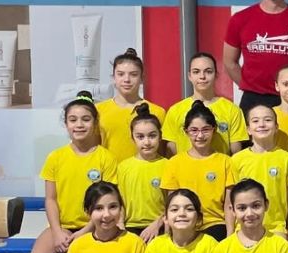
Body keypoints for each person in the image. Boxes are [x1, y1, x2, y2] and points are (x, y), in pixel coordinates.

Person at [30, 91, 118, 253]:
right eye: (73, 120)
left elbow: (108, 202)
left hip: (96, 225)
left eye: (86, 119)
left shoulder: (106, 158)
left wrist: (86, 230)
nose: (79, 125)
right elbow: (51, 199)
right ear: (66, 124)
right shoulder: (55, 157)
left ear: (95, 123)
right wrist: (56, 232)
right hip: (62, 226)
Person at [160, 101, 237, 241]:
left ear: (214, 130)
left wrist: (230, 236)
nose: (200, 136)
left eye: (205, 130)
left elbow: (229, 205)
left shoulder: (225, 162)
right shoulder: (174, 163)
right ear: (186, 131)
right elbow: (172, 204)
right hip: (185, 223)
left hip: (215, 223)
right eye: (194, 130)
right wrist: (168, 234)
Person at [230, 104, 288, 237]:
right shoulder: (237, 160)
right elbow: (230, 200)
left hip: (276, 228)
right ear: (248, 129)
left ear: (276, 127)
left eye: (267, 120)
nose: (261, 124)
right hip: (243, 226)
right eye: (255, 121)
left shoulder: (287, 158)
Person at [163, 52, 247, 156]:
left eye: (208, 71)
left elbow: (236, 154)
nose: (202, 76)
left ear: (216, 75)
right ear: (189, 76)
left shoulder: (232, 110)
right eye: (196, 72)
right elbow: (171, 153)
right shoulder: (175, 111)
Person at [97, 48, 166, 162]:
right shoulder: (98, 110)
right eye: (121, 74)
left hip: (146, 172)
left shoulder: (157, 112)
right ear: (113, 77)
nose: (126, 80)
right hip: (109, 172)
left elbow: (162, 154)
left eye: (133, 75)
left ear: (142, 78)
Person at [117, 104, 168, 242]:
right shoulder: (123, 167)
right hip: (129, 227)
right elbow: (119, 200)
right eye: (140, 137)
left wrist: (157, 223)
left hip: (159, 226)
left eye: (152, 136)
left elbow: (173, 202)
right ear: (132, 138)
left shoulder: (168, 165)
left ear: (160, 136)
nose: (147, 142)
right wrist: (120, 225)